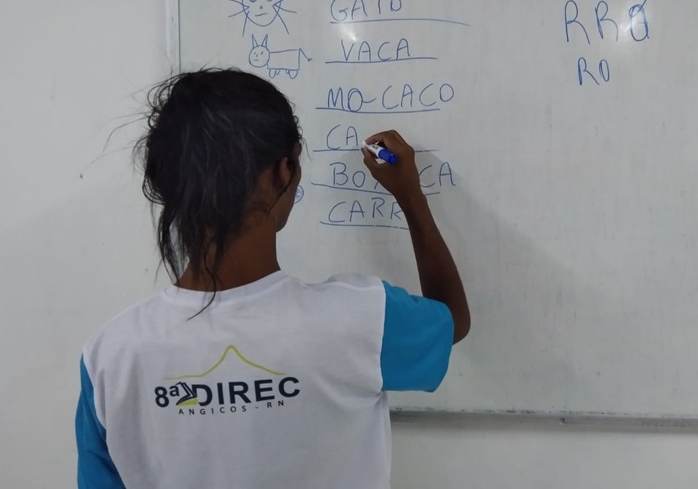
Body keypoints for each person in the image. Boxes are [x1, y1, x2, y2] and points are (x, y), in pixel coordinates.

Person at [75, 68, 470, 489]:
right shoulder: (362, 319)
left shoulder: (111, 357)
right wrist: (410, 195)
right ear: (283, 171)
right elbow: (452, 322)